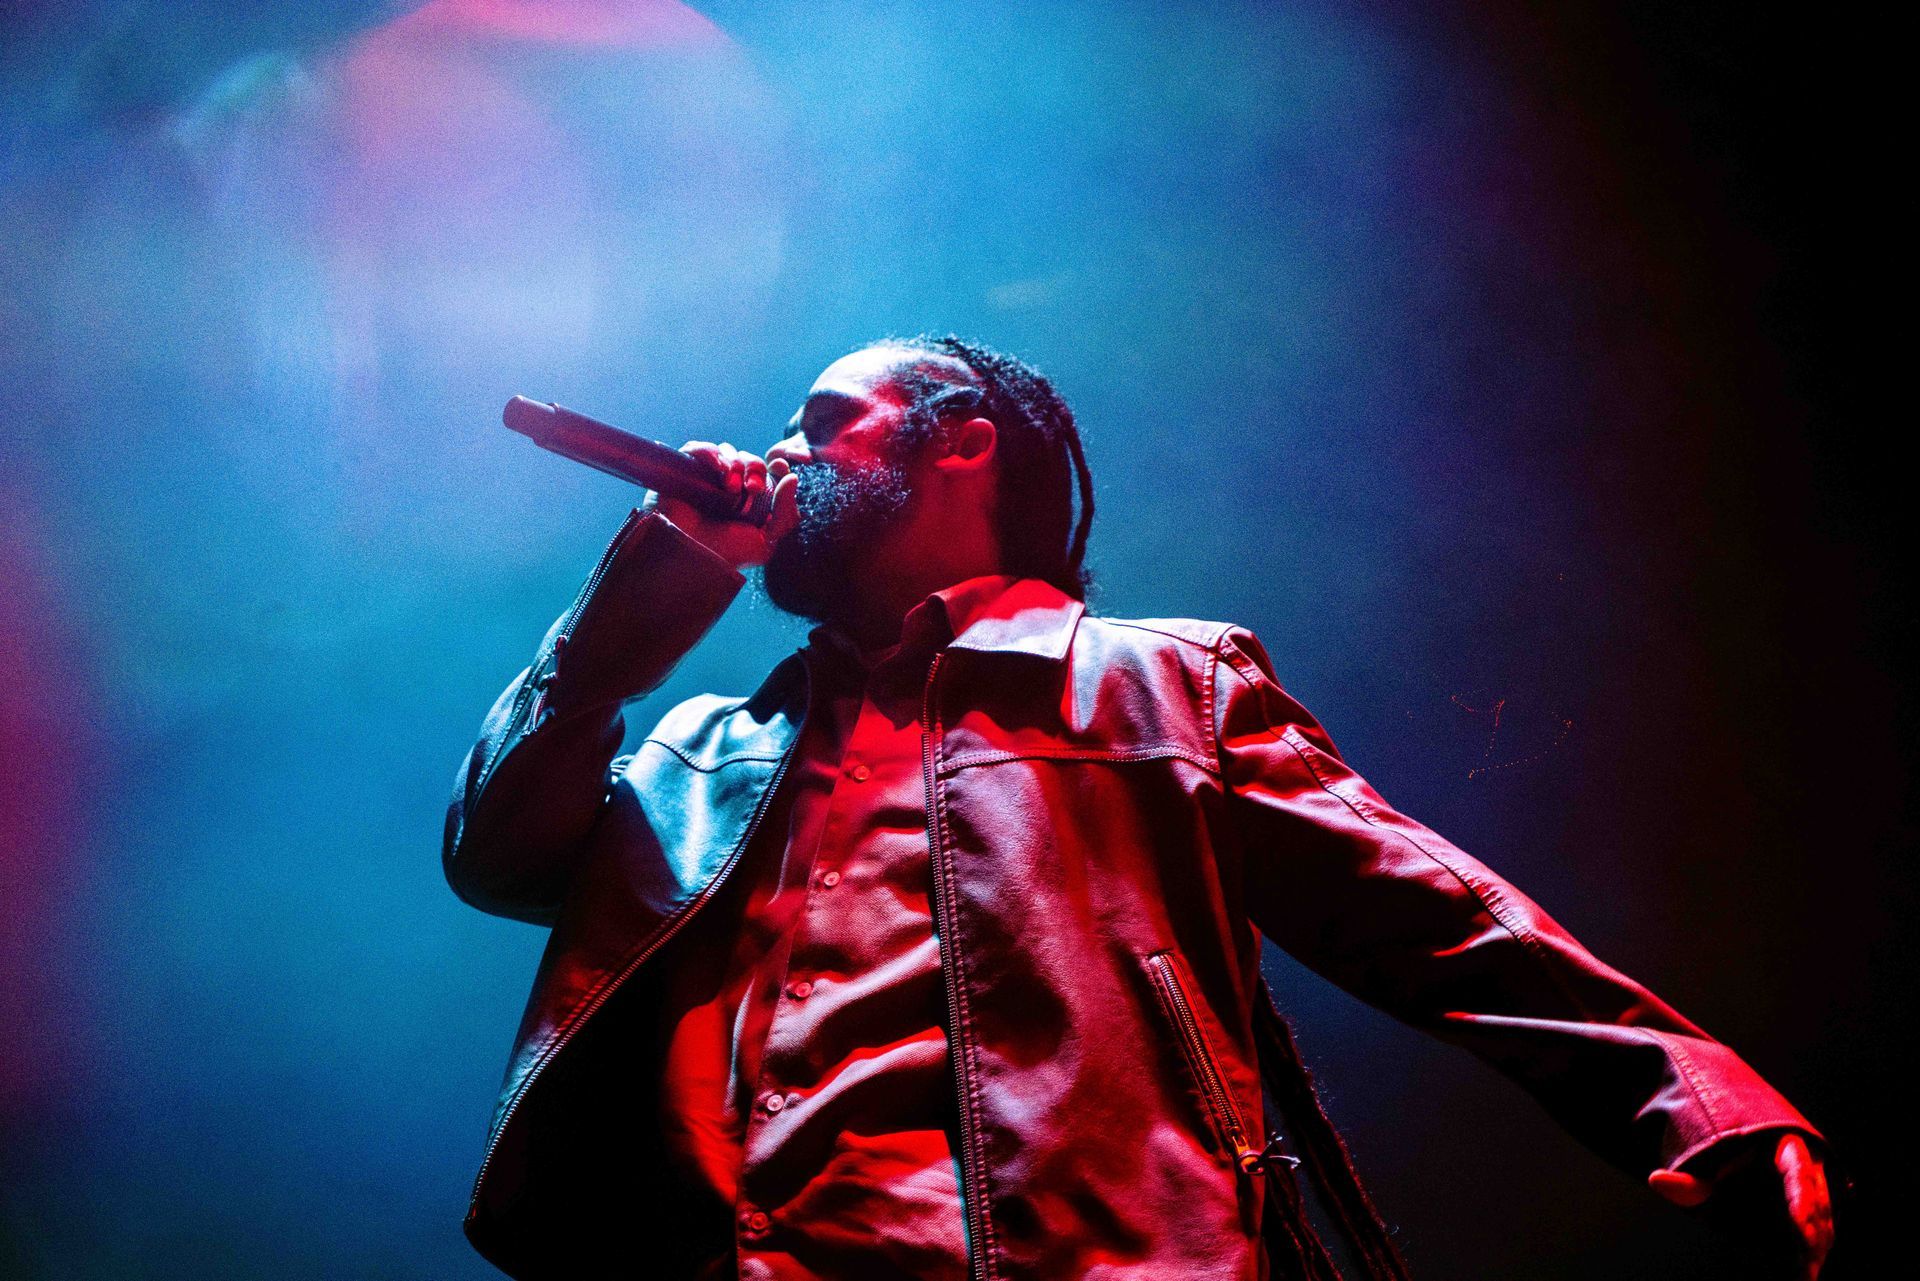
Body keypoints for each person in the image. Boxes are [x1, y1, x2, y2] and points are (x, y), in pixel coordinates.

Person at [443, 336, 1834, 1280]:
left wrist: (1688, 1089)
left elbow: (1432, 917)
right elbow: (497, 852)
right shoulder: (702, 742)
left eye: (822, 423)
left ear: (963, 445)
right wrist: (646, 596)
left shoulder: (1161, 684)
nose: (779, 454)